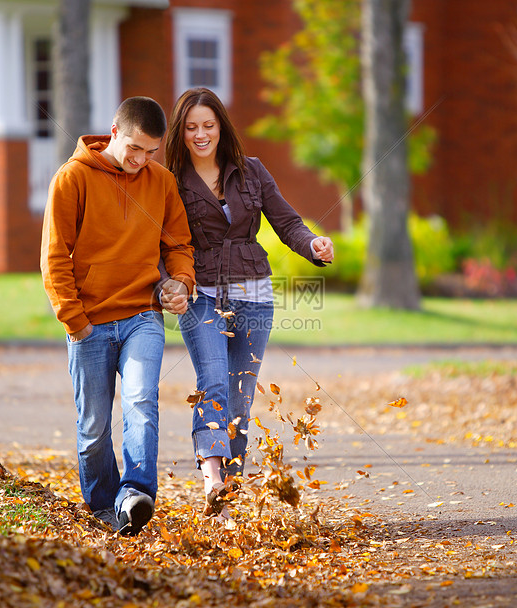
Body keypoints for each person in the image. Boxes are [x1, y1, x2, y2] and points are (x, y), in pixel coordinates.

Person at [163, 87, 334, 516]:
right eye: (191, 127)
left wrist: (313, 243)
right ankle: (212, 479)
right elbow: (159, 242)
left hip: (255, 297)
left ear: (221, 126)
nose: (201, 135)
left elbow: (287, 222)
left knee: (240, 398)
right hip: (200, 296)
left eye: (208, 125)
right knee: (215, 383)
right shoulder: (168, 180)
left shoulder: (251, 171)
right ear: (180, 132)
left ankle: (230, 498)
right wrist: (169, 284)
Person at [41, 97, 195, 535]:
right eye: (133, 148)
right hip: (89, 323)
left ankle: (135, 496)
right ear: (114, 131)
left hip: (141, 315)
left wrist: (180, 282)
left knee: (141, 401)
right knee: (93, 428)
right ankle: (103, 507)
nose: (139, 160)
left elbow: (179, 246)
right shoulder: (72, 178)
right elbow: (54, 257)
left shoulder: (161, 182)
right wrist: (76, 321)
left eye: (150, 152)